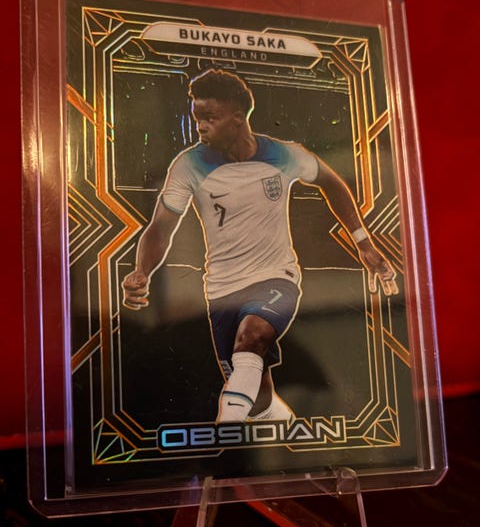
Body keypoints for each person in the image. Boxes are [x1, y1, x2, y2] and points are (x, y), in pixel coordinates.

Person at [122, 68, 398, 424]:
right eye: (196, 117)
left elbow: (331, 182)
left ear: (238, 118)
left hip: (277, 278)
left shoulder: (284, 154)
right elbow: (161, 226)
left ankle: (225, 427)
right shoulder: (189, 164)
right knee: (257, 397)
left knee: (250, 338)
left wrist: (363, 242)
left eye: (210, 117)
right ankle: (282, 425)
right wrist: (142, 271)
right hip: (222, 291)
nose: (200, 126)